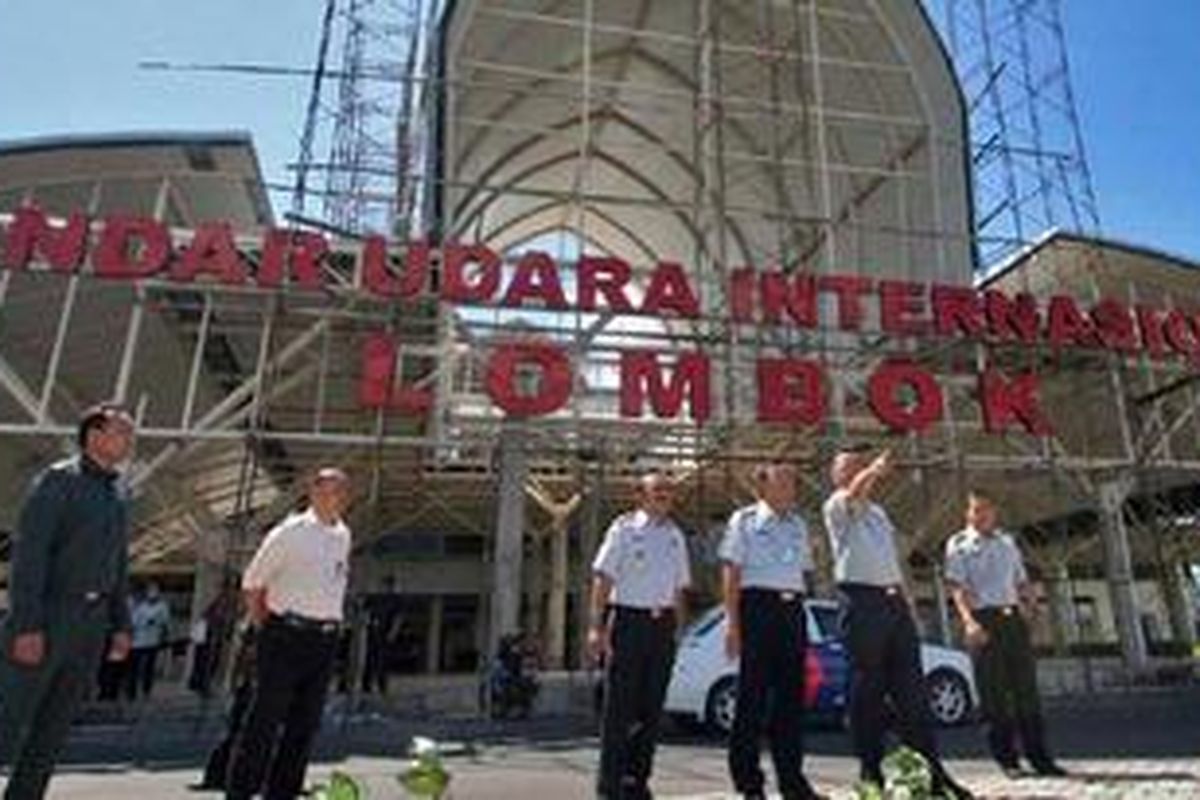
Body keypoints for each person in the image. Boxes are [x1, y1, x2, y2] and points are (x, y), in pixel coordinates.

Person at [0, 403, 136, 800]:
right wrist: (26, 624)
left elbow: (118, 563)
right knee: (9, 717)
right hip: (48, 616)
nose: (128, 442)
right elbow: (30, 555)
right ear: (94, 436)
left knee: (54, 728)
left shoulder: (119, 492)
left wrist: (121, 624)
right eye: (121, 432)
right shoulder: (59, 482)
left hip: (91, 625)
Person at [822, 448, 973, 800]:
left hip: (893, 604)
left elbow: (892, 560)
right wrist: (873, 468)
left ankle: (931, 774)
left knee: (912, 694)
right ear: (836, 477)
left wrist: (907, 605)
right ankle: (870, 776)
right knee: (867, 693)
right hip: (861, 601)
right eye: (848, 468)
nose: (856, 471)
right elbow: (855, 492)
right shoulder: (837, 506)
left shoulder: (878, 513)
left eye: (858, 466)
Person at [224, 467, 353, 800]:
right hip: (285, 633)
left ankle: (282, 792)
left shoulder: (343, 535)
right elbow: (253, 583)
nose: (332, 497)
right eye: (325, 490)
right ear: (312, 492)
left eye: (339, 491)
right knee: (264, 720)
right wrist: (265, 627)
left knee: (305, 724)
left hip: (324, 639)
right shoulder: (290, 532)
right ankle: (241, 791)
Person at [720, 462, 825, 800]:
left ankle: (793, 782)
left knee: (790, 702)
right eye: (782, 483)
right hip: (757, 609)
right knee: (751, 699)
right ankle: (749, 784)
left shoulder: (797, 525)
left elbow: (804, 571)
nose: (790, 490)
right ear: (762, 488)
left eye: (793, 484)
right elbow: (731, 572)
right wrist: (733, 624)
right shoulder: (745, 521)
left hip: (791, 611)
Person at [945, 491, 1066, 778]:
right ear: (968, 513)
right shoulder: (959, 544)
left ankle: (1040, 758)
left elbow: (1020, 580)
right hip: (983, 621)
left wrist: (1034, 607)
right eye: (975, 510)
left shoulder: (1007, 542)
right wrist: (969, 622)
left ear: (994, 512)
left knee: (1027, 692)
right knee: (994, 695)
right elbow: (957, 588)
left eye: (986, 509)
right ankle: (1007, 760)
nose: (981, 515)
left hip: (1013, 618)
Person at [588, 471, 691, 800]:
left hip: (662, 627)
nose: (664, 496)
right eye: (657, 490)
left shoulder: (676, 535)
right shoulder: (624, 529)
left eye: (668, 491)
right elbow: (602, 579)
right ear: (641, 496)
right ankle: (610, 786)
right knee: (620, 709)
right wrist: (596, 627)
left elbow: (679, 589)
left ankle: (637, 781)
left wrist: (679, 630)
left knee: (651, 709)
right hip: (629, 623)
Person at [191, 619, 259, 792]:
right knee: (239, 737)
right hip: (250, 690)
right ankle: (224, 777)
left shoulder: (247, 641)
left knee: (239, 737)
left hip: (247, 689)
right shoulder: (252, 645)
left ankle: (223, 776)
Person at [127, 581, 171, 700]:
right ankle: (131, 691)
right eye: (150, 590)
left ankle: (146, 689)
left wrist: (164, 636)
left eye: (155, 590)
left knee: (148, 667)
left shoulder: (162, 606)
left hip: (152, 641)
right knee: (134, 667)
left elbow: (165, 623)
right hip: (136, 642)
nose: (152, 593)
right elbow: (133, 622)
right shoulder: (140, 606)